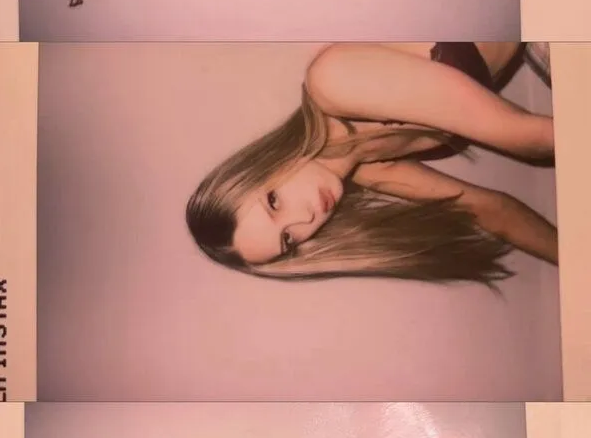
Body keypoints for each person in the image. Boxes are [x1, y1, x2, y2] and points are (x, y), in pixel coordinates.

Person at [186, 42, 556, 285]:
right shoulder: (368, 169)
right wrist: (574, 263)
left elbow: (526, 136)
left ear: (262, 164)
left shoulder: (332, 82)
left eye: (273, 202)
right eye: (288, 239)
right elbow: (491, 210)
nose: (305, 219)